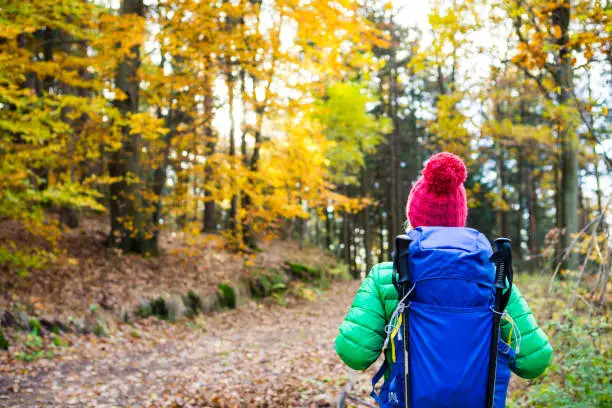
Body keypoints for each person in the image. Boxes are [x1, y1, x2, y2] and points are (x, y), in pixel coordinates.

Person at [334, 152, 552, 385]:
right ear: (461, 218)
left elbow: (355, 355)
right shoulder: (494, 278)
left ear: (413, 217)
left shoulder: (387, 276)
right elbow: (534, 361)